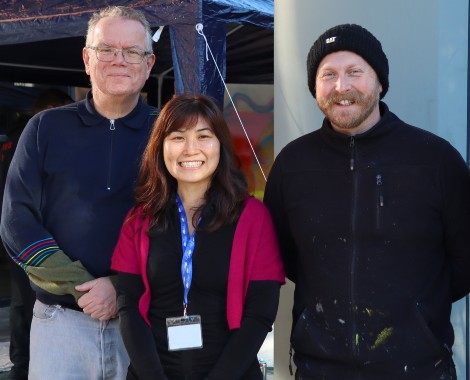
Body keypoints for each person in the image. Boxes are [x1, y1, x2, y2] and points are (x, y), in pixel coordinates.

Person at [263, 23, 470, 380]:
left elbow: (463, 263)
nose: (341, 87)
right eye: (328, 74)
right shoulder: (292, 165)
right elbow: (287, 258)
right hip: (319, 369)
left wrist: (415, 315)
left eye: (354, 72)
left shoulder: (436, 160)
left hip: (418, 369)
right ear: (315, 87)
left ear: (379, 82)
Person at [0, 6, 157, 380]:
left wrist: (120, 288)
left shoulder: (168, 131)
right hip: (59, 324)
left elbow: (187, 222)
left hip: (144, 321)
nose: (119, 60)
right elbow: (15, 220)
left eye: (132, 51)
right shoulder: (45, 128)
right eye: (107, 49)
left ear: (149, 64)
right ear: (87, 59)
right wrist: (82, 287)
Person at [111, 94, 285, 380]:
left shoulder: (252, 217)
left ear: (220, 145)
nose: (191, 149)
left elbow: (260, 313)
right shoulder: (139, 219)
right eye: (177, 138)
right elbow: (128, 305)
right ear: (160, 148)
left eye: (203, 136)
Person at [1, 88, 73, 380]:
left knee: (25, 303)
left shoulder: (14, 139)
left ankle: (22, 366)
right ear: (51, 110)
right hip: (33, 237)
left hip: (23, 236)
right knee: (35, 304)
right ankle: (24, 367)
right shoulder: (32, 140)